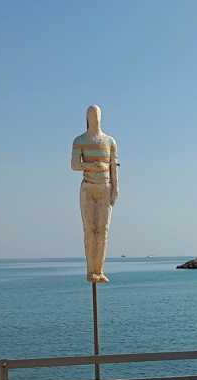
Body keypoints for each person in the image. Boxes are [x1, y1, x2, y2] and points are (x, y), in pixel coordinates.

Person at [71, 105, 119, 283]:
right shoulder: (80, 140)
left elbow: (114, 167)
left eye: (97, 114)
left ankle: (99, 270)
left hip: (105, 187)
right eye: (91, 114)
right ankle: (91, 270)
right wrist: (93, 166)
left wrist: (116, 188)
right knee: (90, 230)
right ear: (87, 117)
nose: (95, 117)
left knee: (103, 231)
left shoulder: (110, 141)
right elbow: (74, 164)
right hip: (88, 187)